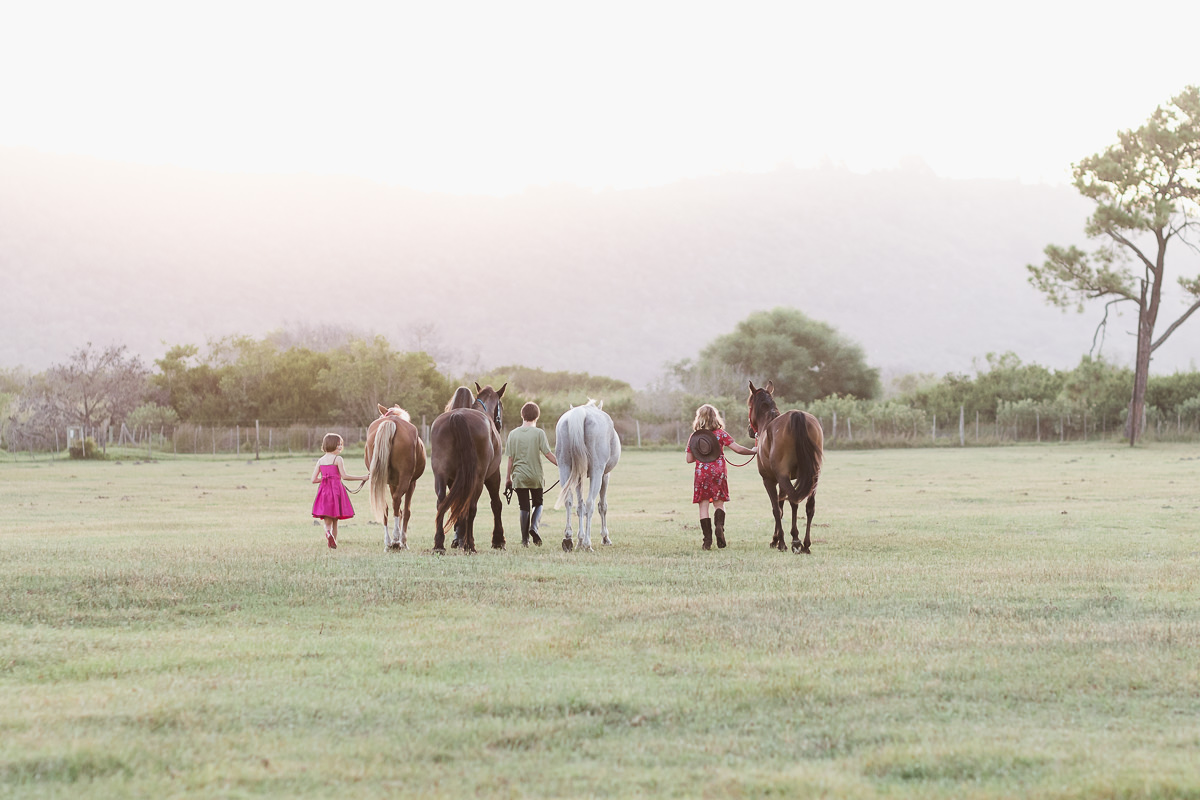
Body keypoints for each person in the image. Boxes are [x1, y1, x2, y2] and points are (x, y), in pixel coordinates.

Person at [686, 404, 756, 550]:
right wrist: (753, 451)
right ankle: (719, 527)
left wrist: (702, 454)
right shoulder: (721, 434)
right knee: (719, 503)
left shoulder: (695, 437)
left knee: (703, 505)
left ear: (699, 418)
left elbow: (689, 459)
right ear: (715, 417)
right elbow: (737, 449)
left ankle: (707, 541)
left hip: (701, 474)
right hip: (718, 472)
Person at [504, 402, 559, 547]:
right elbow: (548, 454)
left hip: (519, 477)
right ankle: (533, 527)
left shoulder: (513, 434)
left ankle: (525, 540)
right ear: (537, 416)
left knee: (523, 506)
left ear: (522, 415)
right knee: (538, 503)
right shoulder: (539, 433)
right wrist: (562, 466)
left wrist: (507, 479)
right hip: (535, 476)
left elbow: (510, 459)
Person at [311, 433, 367, 549]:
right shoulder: (338, 459)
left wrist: (325, 478)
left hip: (324, 492)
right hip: (336, 491)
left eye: (341, 444)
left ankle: (328, 533)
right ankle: (334, 542)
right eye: (338, 445)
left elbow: (314, 479)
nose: (340, 447)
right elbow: (345, 476)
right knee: (335, 519)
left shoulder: (320, 460)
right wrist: (362, 477)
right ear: (331, 445)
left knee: (327, 521)